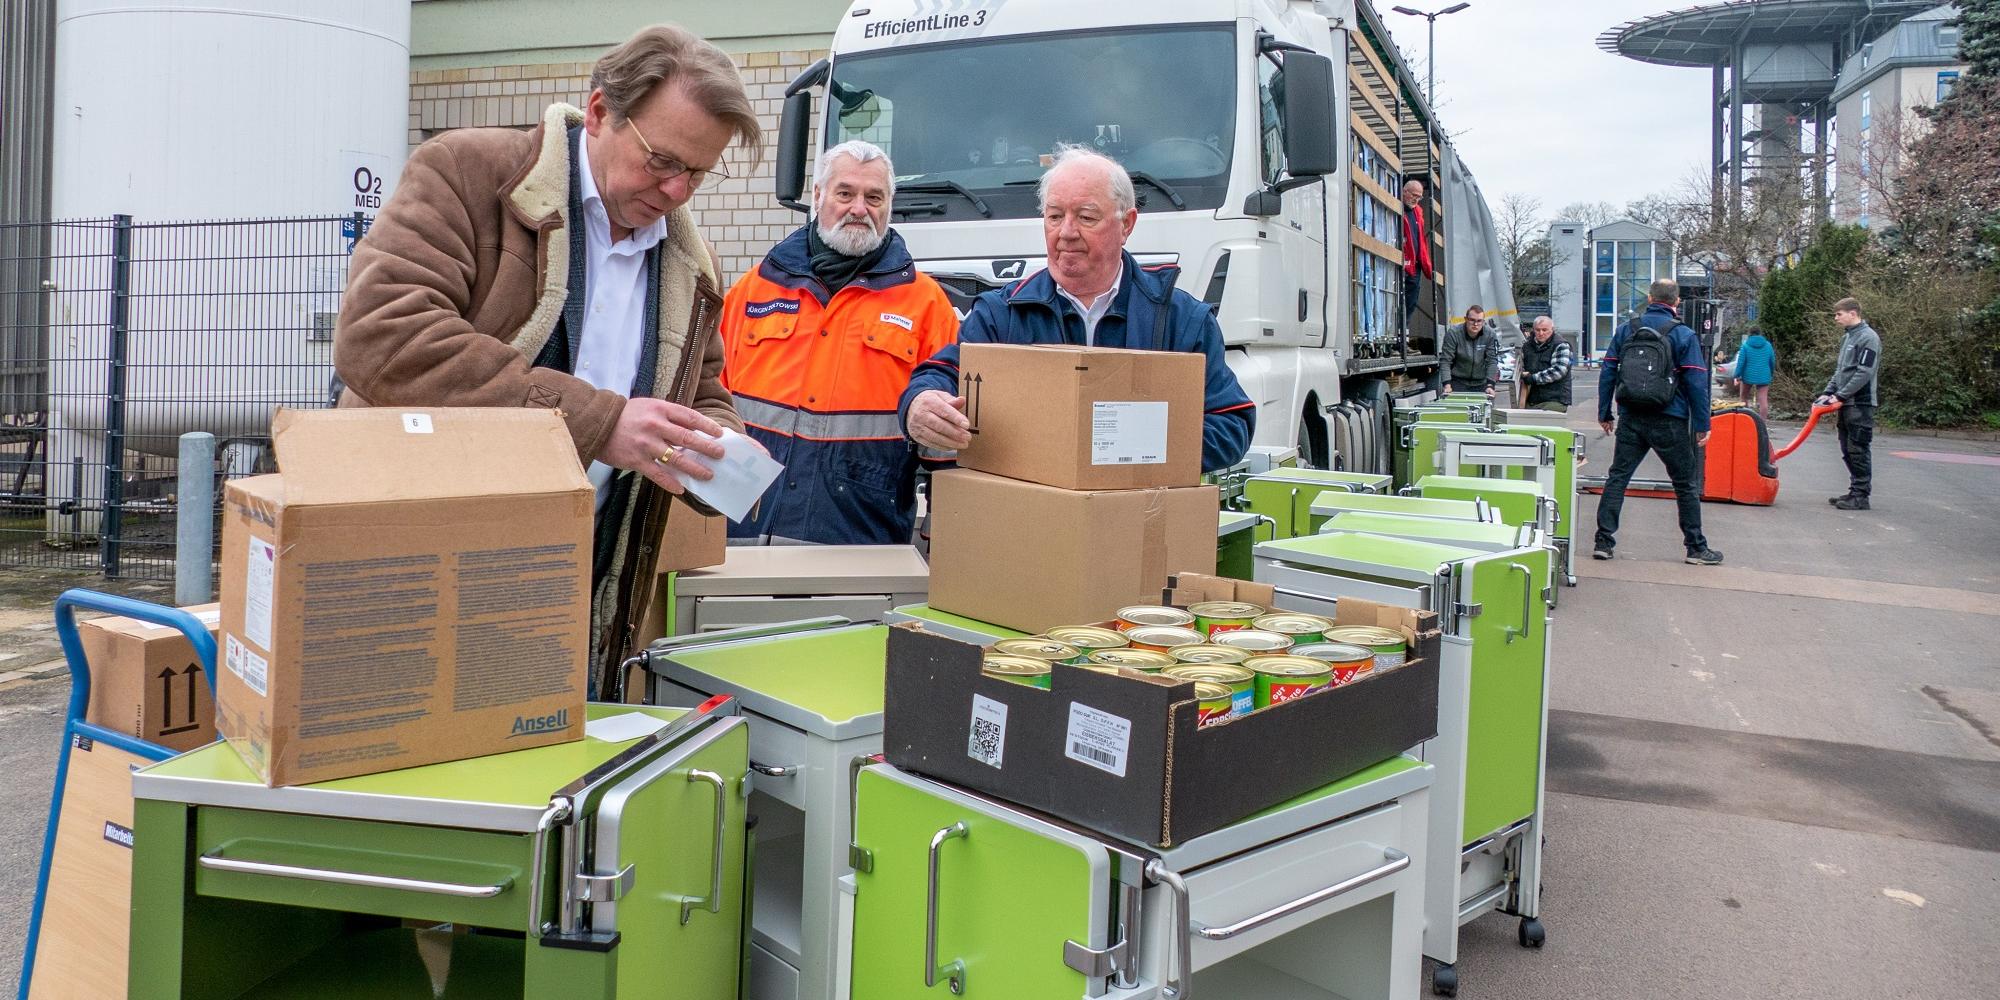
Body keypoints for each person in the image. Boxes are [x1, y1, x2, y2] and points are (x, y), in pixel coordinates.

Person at [332, 25, 760, 697]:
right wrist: (599, 423)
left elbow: (702, 392)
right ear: (600, 112)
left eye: (698, 173)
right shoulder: (467, 172)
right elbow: (382, 335)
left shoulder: (691, 265)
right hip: (412, 573)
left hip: (572, 591)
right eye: (661, 161)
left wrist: (719, 453)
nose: (677, 191)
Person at [901, 146, 1254, 470]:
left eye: (1086, 217)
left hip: (1139, 513)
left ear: (1127, 224)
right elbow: (945, 374)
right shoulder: (1001, 314)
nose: (1066, 233)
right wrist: (919, 403)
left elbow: (1231, 422)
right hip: (1033, 514)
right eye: (1055, 217)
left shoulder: (1182, 319)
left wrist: (1123, 448)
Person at [718, 141, 958, 544]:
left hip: (860, 544)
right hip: (741, 538)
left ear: (889, 206)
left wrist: (949, 536)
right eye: (845, 193)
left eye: (874, 197)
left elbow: (946, 449)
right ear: (817, 196)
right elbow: (709, 400)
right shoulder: (754, 289)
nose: (859, 209)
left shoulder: (927, 305)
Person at [1592, 279, 1724, 566]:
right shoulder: (1684, 334)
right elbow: (1696, 382)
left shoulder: (1626, 330)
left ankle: (1603, 541)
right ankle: (1695, 548)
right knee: (1685, 484)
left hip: (1631, 417)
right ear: (1676, 302)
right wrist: (1702, 423)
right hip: (1669, 418)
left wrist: (1605, 413)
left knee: (1618, 477)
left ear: (1650, 298)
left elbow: (1609, 371)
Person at [1820, 297, 1881, 511]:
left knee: (1858, 449)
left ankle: (1861, 495)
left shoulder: (1869, 338)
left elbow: (1864, 372)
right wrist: (1828, 392)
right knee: (1847, 449)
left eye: (1839, 314)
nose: (1836, 318)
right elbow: (1841, 371)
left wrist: (1841, 395)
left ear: (1853, 313)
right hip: (1846, 403)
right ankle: (1854, 491)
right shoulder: (1848, 337)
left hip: (1860, 404)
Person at [1438, 304, 1501, 397]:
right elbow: (1445, 361)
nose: (1475, 324)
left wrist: (1490, 385)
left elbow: (1492, 361)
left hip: (1482, 383)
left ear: (1483, 321)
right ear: (1465, 319)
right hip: (1458, 382)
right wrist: (1447, 385)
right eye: (1472, 320)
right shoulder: (1453, 333)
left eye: (1479, 321)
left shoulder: (1490, 335)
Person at [1516, 316, 1574, 412]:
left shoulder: (1561, 345)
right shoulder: (1527, 346)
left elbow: (1559, 371)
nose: (1541, 333)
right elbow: (1521, 367)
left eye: (1544, 330)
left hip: (1555, 399)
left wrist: (1533, 378)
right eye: (1537, 330)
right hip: (1532, 399)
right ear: (1533, 329)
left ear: (1552, 329)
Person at [1399, 178, 1434, 331]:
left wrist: (1426, 264)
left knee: (1411, 300)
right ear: (1404, 191)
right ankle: (1396, 333)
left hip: (1415, 265)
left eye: (1419, 197)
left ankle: (1404, 333)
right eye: (1414, 195)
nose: (1416, 199)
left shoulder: (1417, 212)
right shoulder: (1396, 206)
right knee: (1397, 298)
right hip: (1400, 262)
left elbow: (1420, 240)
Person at [1730, 328, 1776, 420]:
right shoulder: (1768, 345)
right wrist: (1771, 373)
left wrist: (1737, 376)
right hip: (1764, 375)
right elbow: (1772, 361)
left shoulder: (1745, 345)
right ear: (1760, 334)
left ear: (1749, 334)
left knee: (1743, 397)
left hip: (1748, 376)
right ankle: (1762, 423)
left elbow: (1741, 363)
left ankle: (1746, 419)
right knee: (1763, 400)